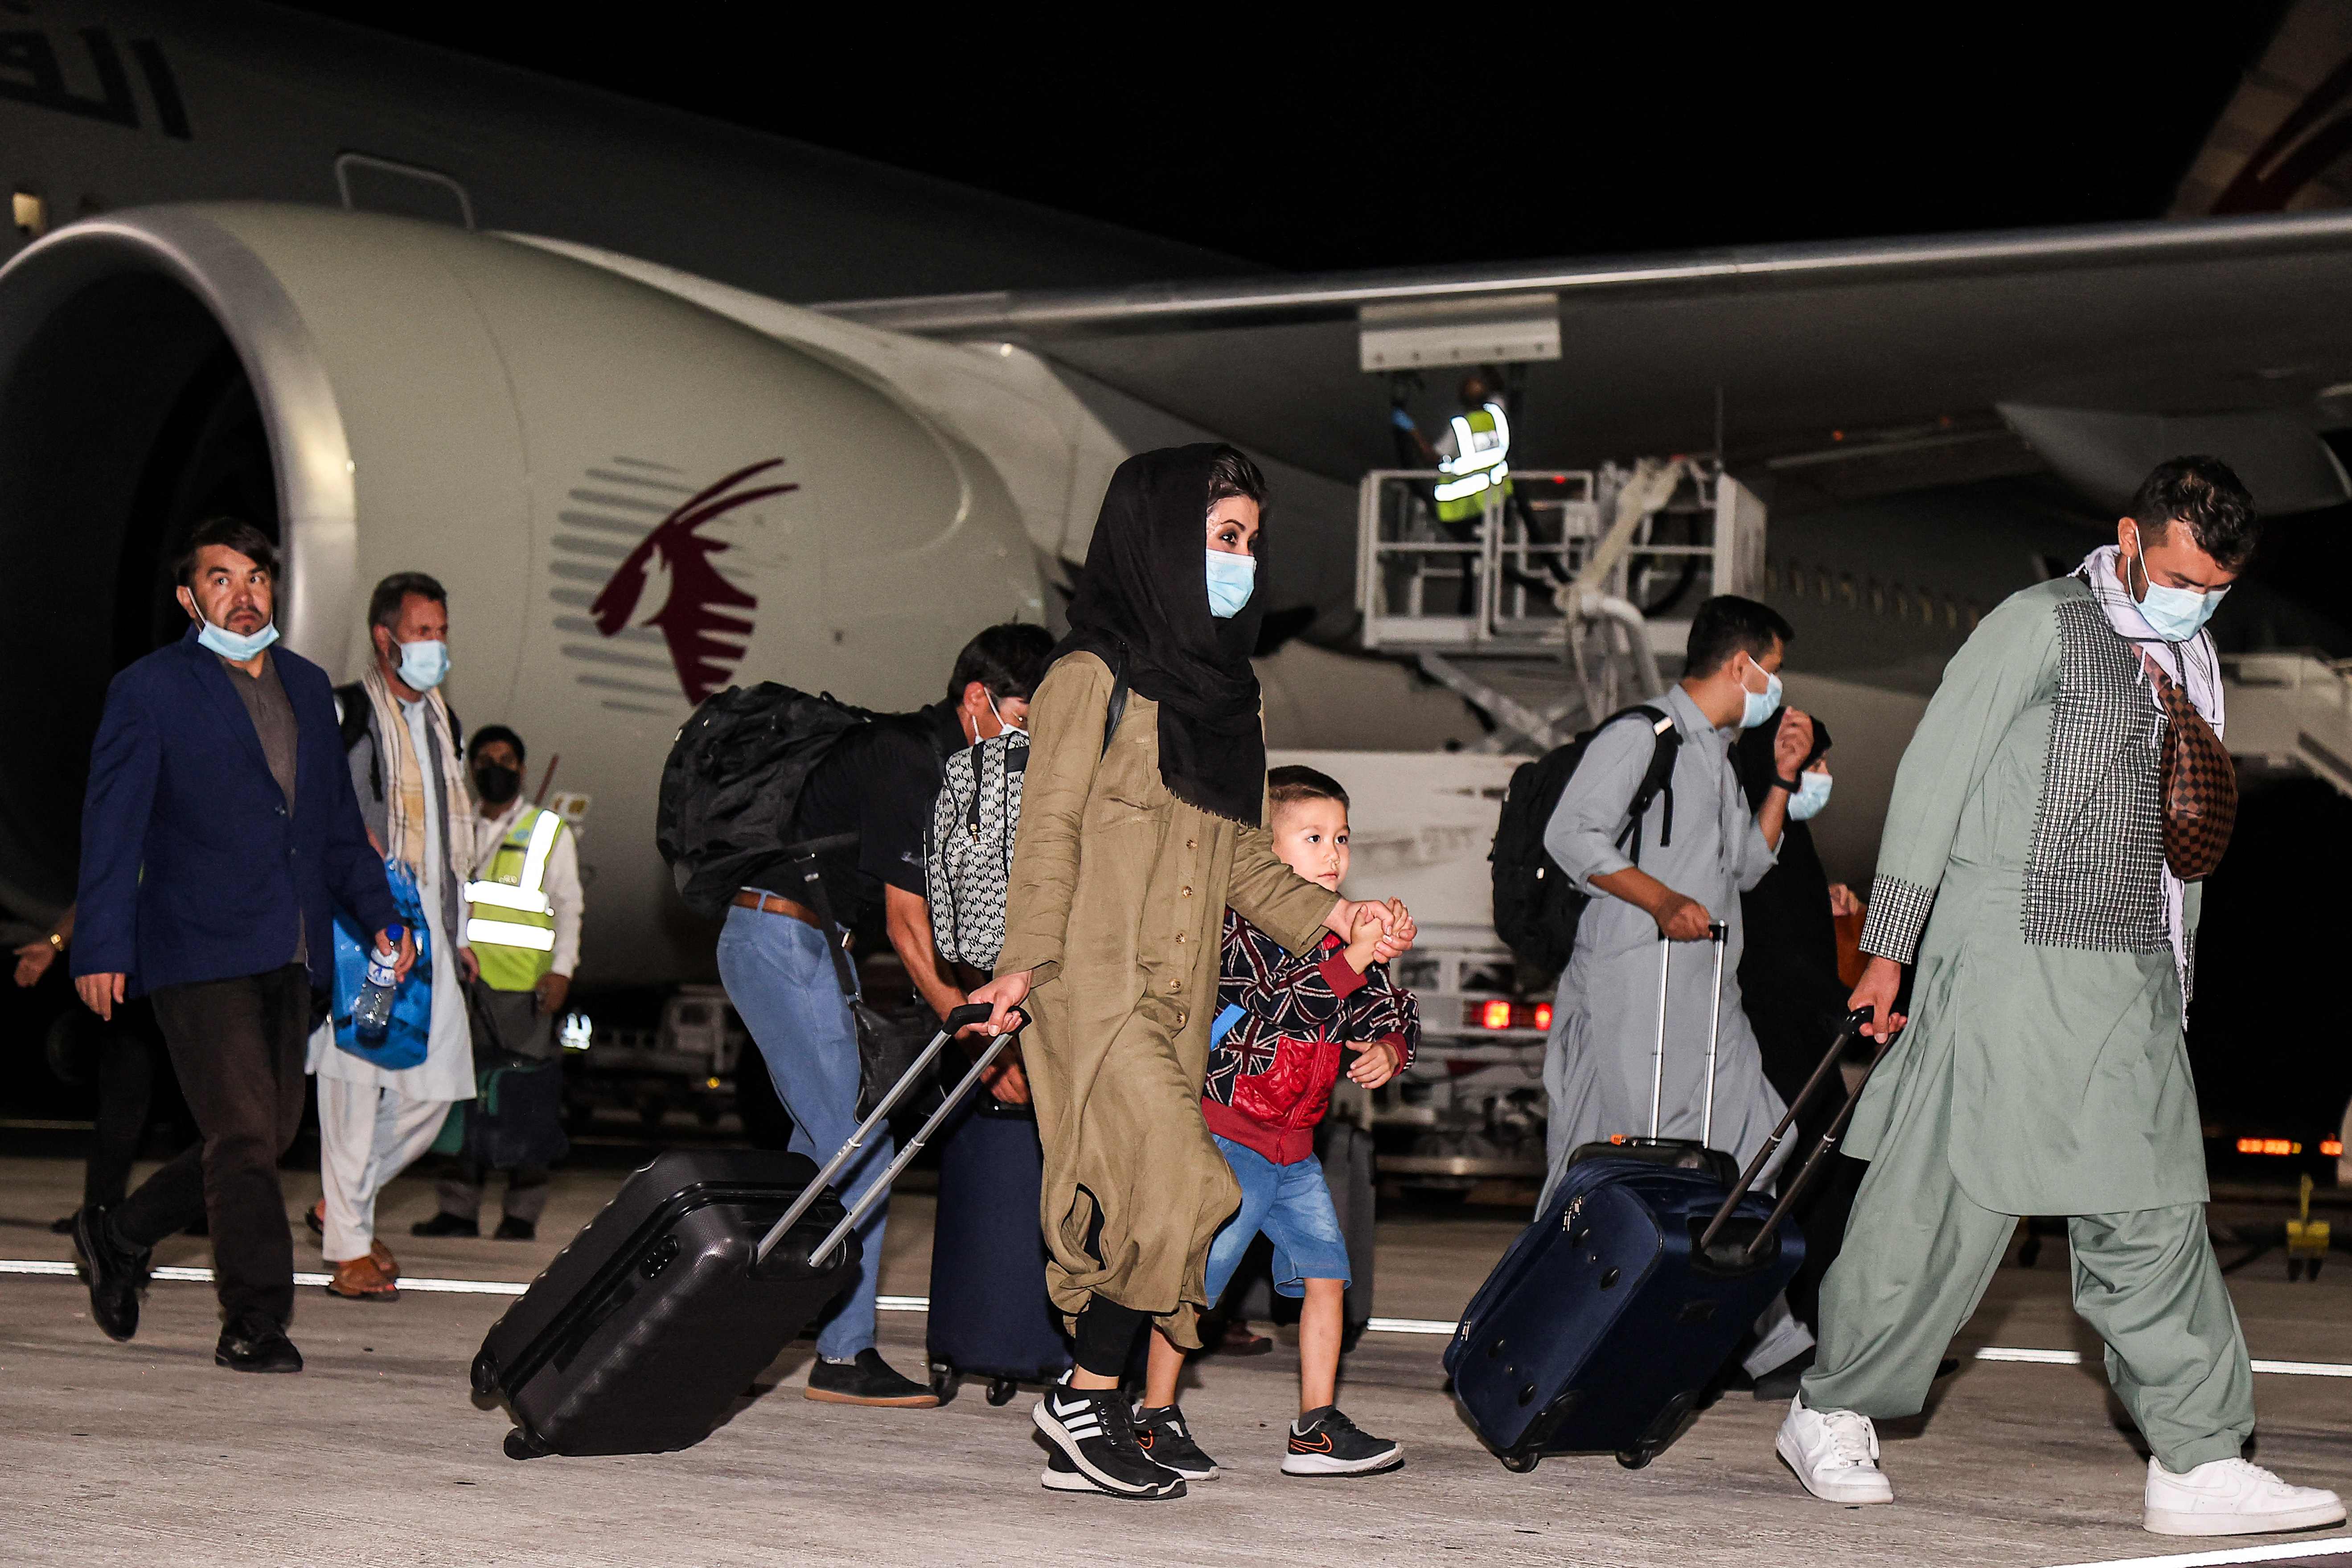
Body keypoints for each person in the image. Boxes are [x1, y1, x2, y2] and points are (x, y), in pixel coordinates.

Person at [1780, 457, 2347, 1536]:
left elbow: (2179, 845)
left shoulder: (2189, 660)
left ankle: (2196, 1458)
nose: (2194, 603)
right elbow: (1932, 778)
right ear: (2128, 539)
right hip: (2007, 956)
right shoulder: (2035, 624)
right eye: (2179, 578)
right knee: (1946, 1202)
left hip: (2130, 976)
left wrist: (2176, 974)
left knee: (2152, 1212)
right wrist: (1888, 947)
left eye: (2215, 589)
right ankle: (1831, 1404)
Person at [969, 444, 1409, 1500]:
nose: (1241, 560)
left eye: (1250, 541)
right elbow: (1048, 834)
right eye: (1223, 537)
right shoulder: (1087, 679)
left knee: (1155, 1205)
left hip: (1180, 995)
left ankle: (1088, 1416)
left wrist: (1334, 914)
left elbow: (1244, 860)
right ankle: (1086, 1397)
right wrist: (1021, 965)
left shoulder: (1227, 698)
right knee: (1187, 1178)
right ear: (1161, 537)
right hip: (1092, 982)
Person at [69, 517, 408, 1373]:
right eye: (221, 578)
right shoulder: (151, 690)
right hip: (195, 946)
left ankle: (120, 1233)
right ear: (190, 597)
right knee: (247, 1136)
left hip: (289, 947)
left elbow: (336, 829)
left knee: (256, 1134)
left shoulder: (307, 686)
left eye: (255, 576)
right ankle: (254, 1318)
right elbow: (113, 826)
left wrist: (380, 916)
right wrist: (99, 943)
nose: (243, 593)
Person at [719, 620, 1052, 1408]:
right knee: (861, 1142)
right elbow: (909, 929)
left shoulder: (956, 772)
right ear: (978, 698)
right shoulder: (911, 760)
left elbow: (953, 929)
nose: (1032, 741)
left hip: (806, 944)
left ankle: (742, 1311)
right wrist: (975, 1037)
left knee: (818, 1150)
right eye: (1025, 718)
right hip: (778, 937)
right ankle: (842, 1355)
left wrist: (986, 1012)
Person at [1536, 594, 1818, 1387]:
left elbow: (1744, 868)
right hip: (1638, 979)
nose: (1775, 688)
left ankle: (1744, 1331)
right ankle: (1560, 1329)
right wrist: (1660, 899)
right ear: (1741, 664)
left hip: (1703, 987)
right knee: (1626, 1165)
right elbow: (1570, 834)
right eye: (1773, 670)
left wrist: (1782, 782)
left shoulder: (1715, 755)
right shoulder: (1643, 736)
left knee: (1761, 1135)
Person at [1117, 765, 1418, 1485]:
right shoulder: (1238, 926)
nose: (1332, 853)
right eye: (1312, 837)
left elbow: (1389, 1006)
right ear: (1262, 851)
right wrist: (1355, 951)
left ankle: (1315, 1426)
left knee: (1327, 1277)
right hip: (1230, 1140)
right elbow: (1287, 1003)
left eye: (1341, 837)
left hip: (1296, 1149)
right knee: (1195, 1285)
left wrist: (1388, 1047)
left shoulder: (1341, 931)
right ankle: (1153, 1414)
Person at [306, 572, 476, 1301]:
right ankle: (348, 1245)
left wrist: (457, 931)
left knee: (436, 1089)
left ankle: (340, 1207)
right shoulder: (345, 712)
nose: (436, 644)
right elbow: (315, 811)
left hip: (430, 924)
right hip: (362, 925)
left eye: (442, 631)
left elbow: (450, 836)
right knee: (353, 1081)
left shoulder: (443, 720)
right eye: (422, 631)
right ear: (385, 638)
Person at [412, 725, 581, 1241]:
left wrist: (562, 970)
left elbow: (569, 904)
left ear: (522, 769)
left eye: (506, 759)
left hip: (523, 989)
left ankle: (521, 1214)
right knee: (458, 1097)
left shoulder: (547, 830)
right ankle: (458, 1209)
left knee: (522, 1100)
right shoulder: (456, 826)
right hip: (461, 986)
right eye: (485, 759)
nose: (495, 767)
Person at [1730, 710, 1852, 1396]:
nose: (1825, 777)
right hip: (1777, 1044)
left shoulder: (1792, 842)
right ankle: (1787, 1340)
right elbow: (1777, 956)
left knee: (1822, 1185)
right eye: (1814, 765)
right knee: (1797, 1186)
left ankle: (1825, 1336)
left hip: (1804, 1042)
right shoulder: (1759, 843)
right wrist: (1845, 1005)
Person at [21, 906, 197, 1235]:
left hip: (193, 977)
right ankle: (100, 1215)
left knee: (197, 1103)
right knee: (125, 1098)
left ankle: (203, 1209)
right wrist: (54, 942)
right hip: (141, 980)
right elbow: (101, 892)